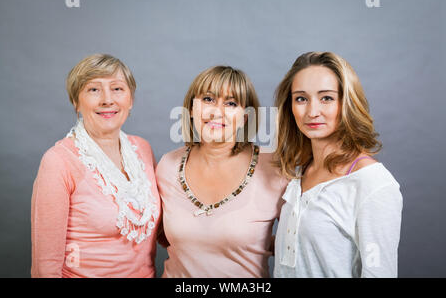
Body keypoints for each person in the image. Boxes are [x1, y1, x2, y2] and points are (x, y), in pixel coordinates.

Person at [273, 51, 403, 278]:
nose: (312, 112)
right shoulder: (297, 173)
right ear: (290, 106)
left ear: (347, 103)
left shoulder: (372, 184)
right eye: (301, 98)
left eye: (327, 98)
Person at [31, 54, 161, 277]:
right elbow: (46, 265)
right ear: (76, 101)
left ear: (130, 99)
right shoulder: (59, 161)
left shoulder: (142, 149)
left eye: (117, 89)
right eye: (94, 90)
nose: (107, 100)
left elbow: (167, 231)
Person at [156, 66, 288, 277]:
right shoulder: (167, 165)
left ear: (246, 116)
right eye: (208, 99)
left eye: (231, 103)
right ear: (191, 108)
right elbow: (158, 235)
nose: (217, 112)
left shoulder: (274, 168)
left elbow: (294, 246)